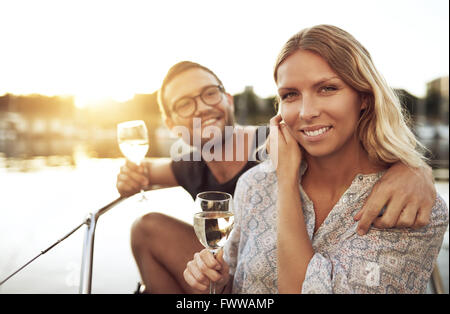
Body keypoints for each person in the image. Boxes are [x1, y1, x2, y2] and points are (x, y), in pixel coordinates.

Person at [118, 60, 436, 294]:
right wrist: (130, 178)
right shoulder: (190, 163)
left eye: (209, 94)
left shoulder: (275, 143)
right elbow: (144, 171)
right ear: (172, 122)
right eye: (185, 104)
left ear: (227, 100)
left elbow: (352, 150)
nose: (201, 108)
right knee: (145, 229)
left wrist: (414, 170)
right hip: (230, 269)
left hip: (282, 270)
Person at [182, 25, 448, 294]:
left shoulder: (415, 208)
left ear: (364, 97)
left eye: (327, 88)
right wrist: (214, 284)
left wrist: (286, 182)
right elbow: (235, 288)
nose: (306, 112)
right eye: (290, 95)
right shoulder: (254, 186)